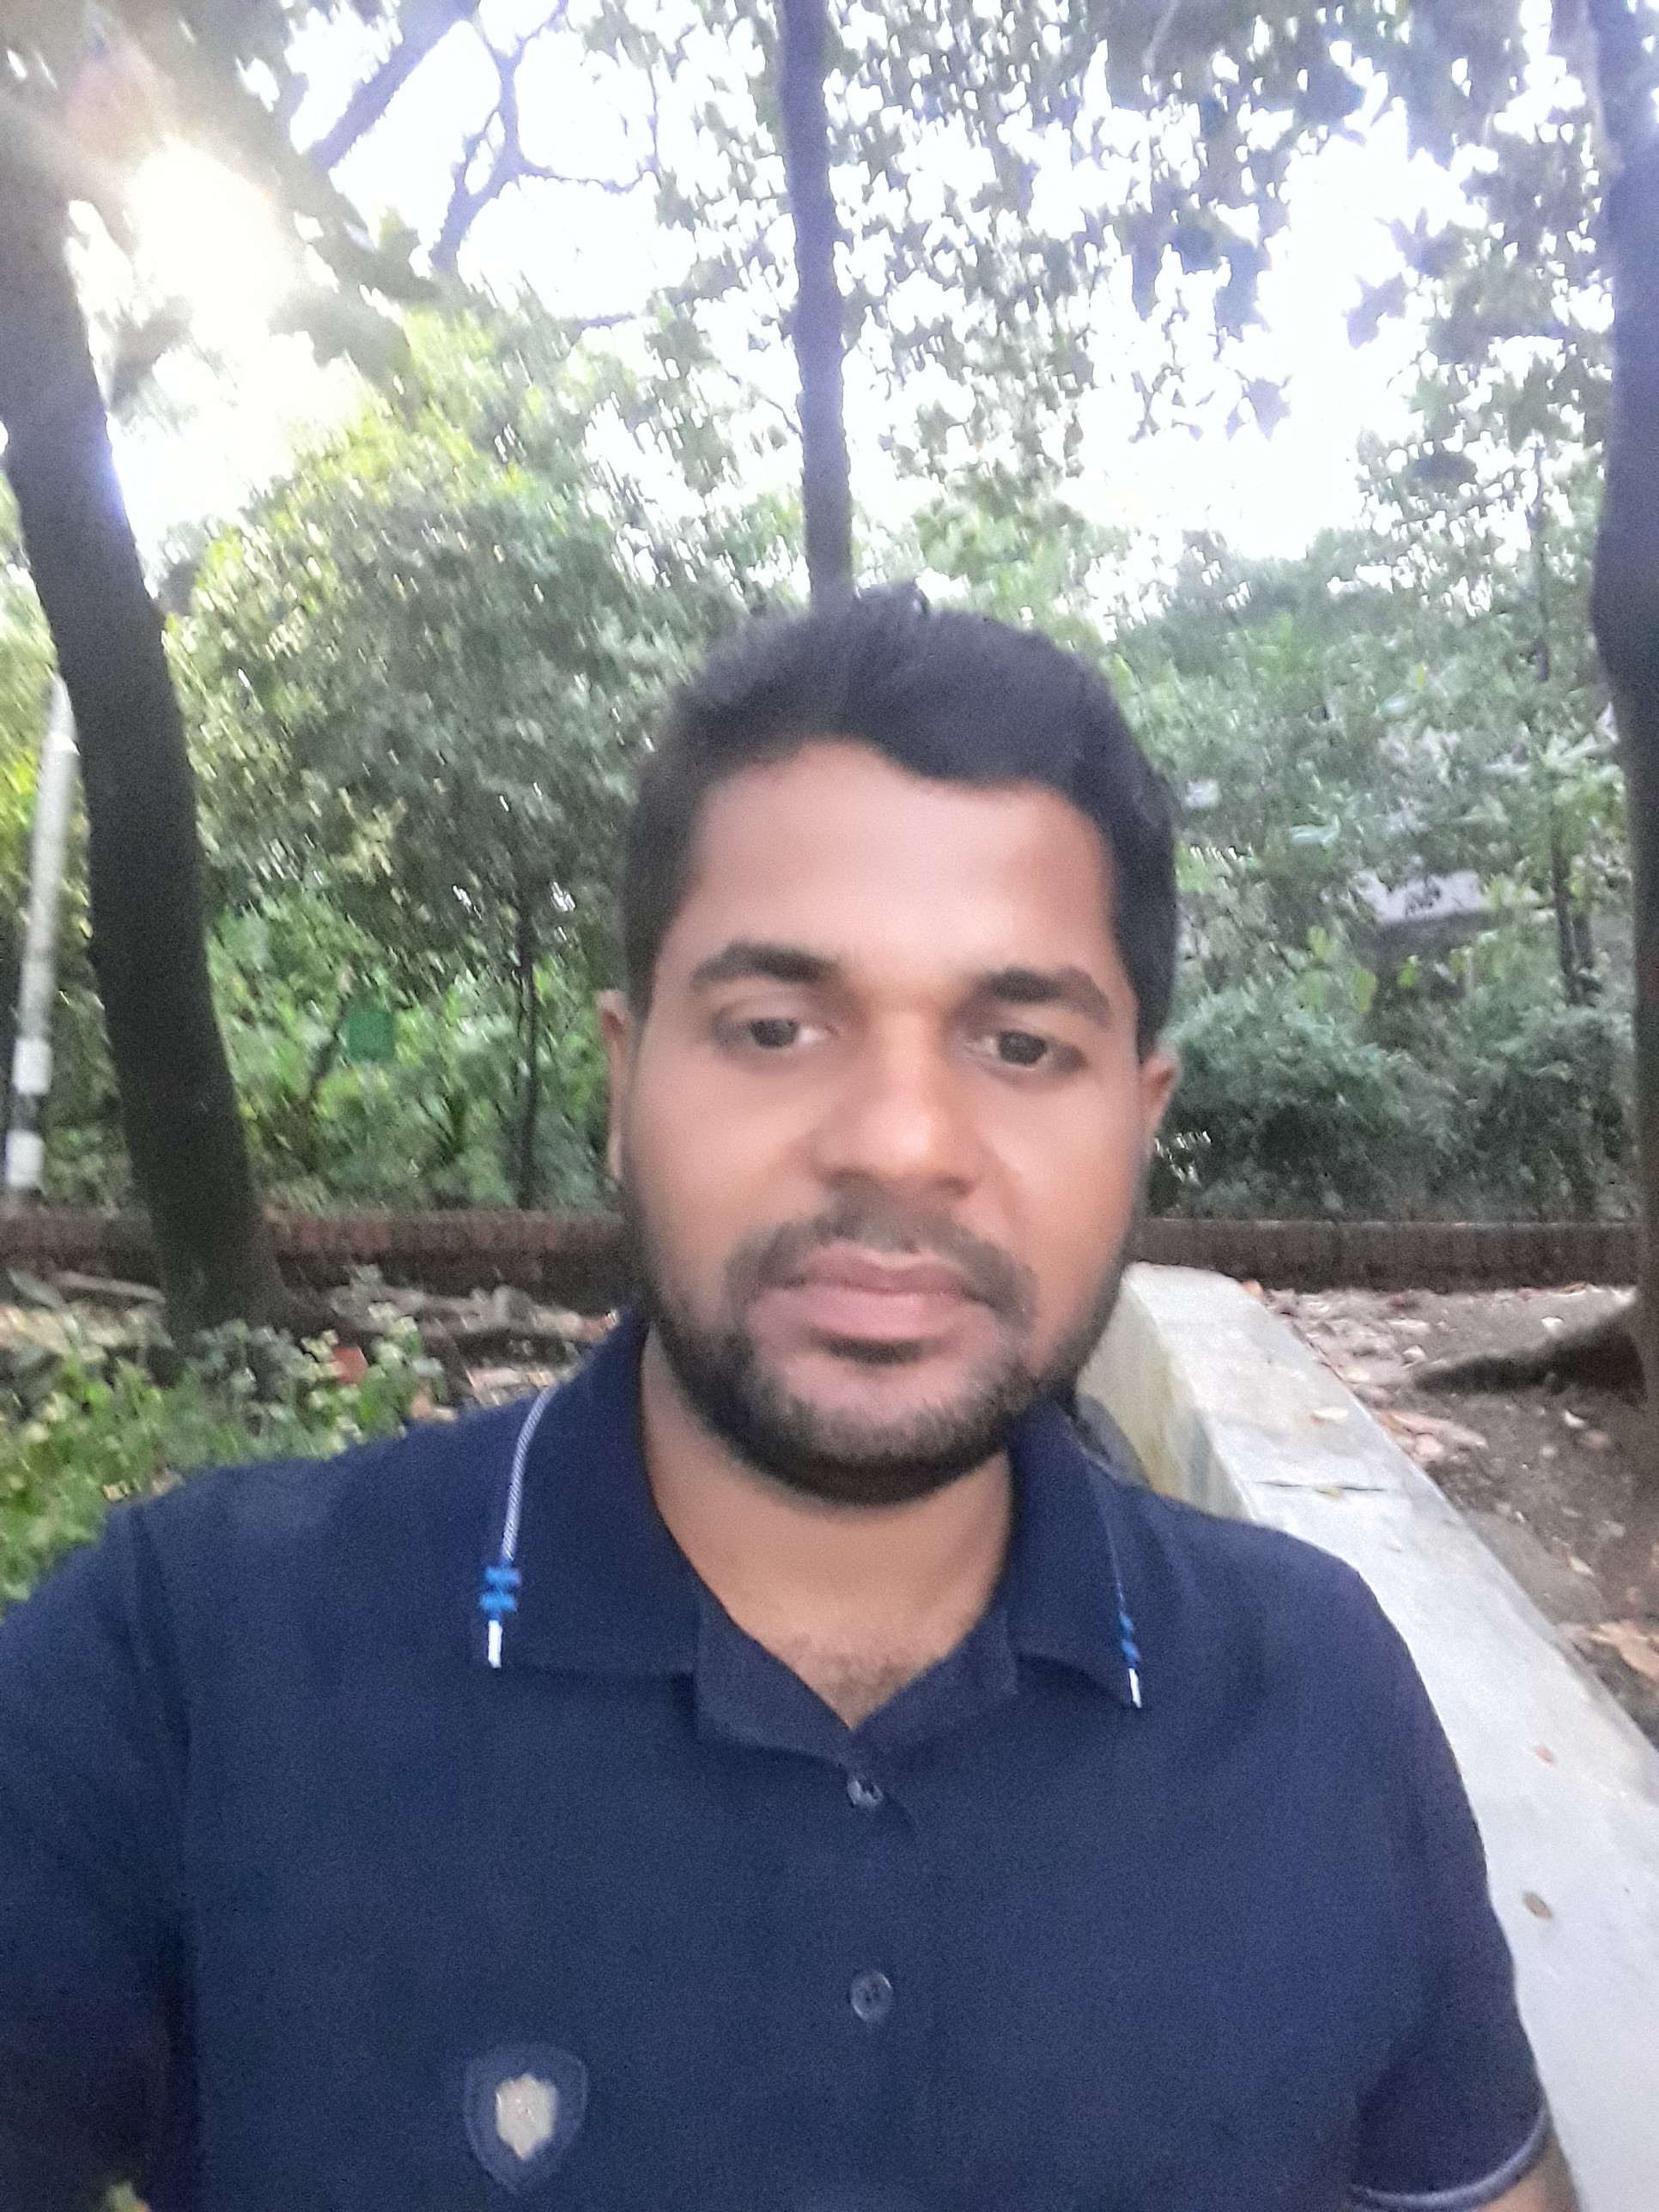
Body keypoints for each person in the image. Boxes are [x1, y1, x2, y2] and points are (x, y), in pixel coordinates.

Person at [0, 589, 1571, 2212]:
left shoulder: (1314, 1693)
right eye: (774, 1027)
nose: (899, 1142)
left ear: (1139, 1119)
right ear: (625, 1084)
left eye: (1022, 1045)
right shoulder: (189, 1666)